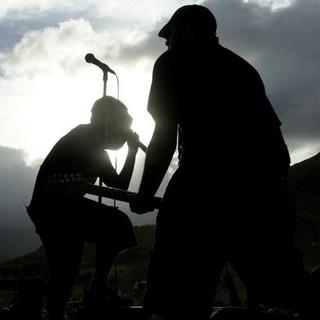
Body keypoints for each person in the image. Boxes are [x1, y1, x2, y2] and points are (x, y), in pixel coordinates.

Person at [130, 4, 318, 320]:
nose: (166, 42)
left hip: (205, 182)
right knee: (281, 284)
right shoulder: (242, 68)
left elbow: (164, 134)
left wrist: (146, 193)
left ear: (188, 30)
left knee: (175, 290)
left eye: (171, 33)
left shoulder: (173, 62)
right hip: (265, 188)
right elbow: (275, 139)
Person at [27, 95, 139, 320]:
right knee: (116, 225)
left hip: (60, 209)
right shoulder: (87, 138)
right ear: (108, 123)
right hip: (57, 209)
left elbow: (118, 184)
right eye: (124, 129)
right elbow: (119, 185)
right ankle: (94, 288)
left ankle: (76, 296)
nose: (124, 136)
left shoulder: (92, 142)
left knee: (65, 274)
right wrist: (131, 150)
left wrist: (131, 151)